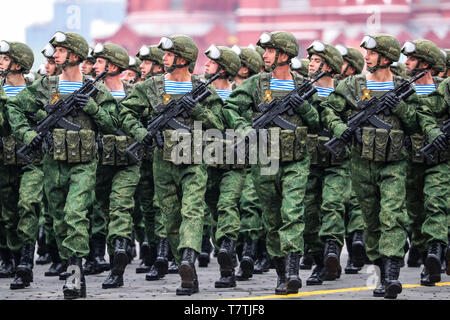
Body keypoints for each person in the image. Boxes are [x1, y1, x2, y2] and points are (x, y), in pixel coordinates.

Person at [320, 33, 437, 299]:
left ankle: (393, 275)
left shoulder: (403, 87)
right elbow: (330, 111)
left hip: (394, 163)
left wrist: (401, 109)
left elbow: (417, 123)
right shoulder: (352, 85)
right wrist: (342, 129)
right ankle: (381, 270)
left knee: (391, 216)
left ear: (386, 57)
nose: (367, 58)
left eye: (372, 54)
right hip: (361, 163)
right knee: (371, 220)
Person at [6, 31, 118, 299]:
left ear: (75, 56)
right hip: (53, 162)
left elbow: (114, 124)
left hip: (83, 163)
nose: (54, 54)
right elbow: (16, 110)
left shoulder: (96, 89)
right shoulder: (46, 86)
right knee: (59, 221)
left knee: (75, 213)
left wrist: (91, 108)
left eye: (60, 50)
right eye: (54, 50)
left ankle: (75, 273)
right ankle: (70, 262)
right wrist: (29, 135)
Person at [118, 34, 224, 295]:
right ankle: (186, 270)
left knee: (192, 209)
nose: (163, 58)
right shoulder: (151, 87)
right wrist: (143, 133)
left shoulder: (202, 89)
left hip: (194, 159)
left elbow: (219, 125)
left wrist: (197, 110)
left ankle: (188, 258)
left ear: (183, 59)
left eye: (168, 54)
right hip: (163, 160)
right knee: (171, 218)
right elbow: (126, 113)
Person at [222, 31, 320, 295]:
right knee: (273, 217)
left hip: (295, 160)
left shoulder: (303, 85)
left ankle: (292, 272)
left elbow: (317, 121)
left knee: (292, 212)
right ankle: (281, 272)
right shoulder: (256, 83)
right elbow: (230, 107)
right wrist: (244, 129)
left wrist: (303, 107)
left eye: (269, 51)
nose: (264, 55)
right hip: (265, 159)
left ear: (284, 55)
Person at [401, 39, 448, 286]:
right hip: (410, 161)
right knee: (415, 214)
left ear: (425, 64)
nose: (406, 63)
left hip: (440, 160)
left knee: (436, 204)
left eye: (411, 59)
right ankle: (425, 251)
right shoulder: (401, 90)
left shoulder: (444, 89)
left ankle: (435, 252)